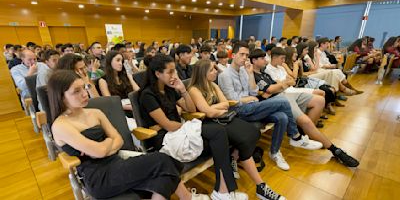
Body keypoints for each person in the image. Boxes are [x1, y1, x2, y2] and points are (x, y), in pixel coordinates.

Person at [47, 70, 183, 200]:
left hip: (117, 162)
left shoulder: (95, 112)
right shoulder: (60, 125)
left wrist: (103, 148)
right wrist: (106, 145)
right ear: (61, 97)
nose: (85, 94)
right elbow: (101, 150)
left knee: (165, 174)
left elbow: (118, 140)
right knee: (164, 161)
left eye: (84, 88)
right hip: (98, 177)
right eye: (76, 91)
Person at [139, 54, 247, 200]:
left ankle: (223, 190)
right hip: (164, 138)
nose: (174, 75)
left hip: (179, 130)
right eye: (170, 72)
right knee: (218, 134)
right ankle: (223, 192)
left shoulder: (169, 89)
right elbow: (168, 125)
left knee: (220, 135)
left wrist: (182, 89)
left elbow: (190, 109)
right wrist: (183, 125)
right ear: (158, 74)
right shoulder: (148, 95)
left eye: (174, 71)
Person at [189, 59, 285, 200]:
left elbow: (226, 104)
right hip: (208, 125)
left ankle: (236, 160)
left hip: (221, 119)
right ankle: (260, 186)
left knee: (253, 133)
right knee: (245, 139)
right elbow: (207, 113)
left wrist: (213, 108)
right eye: (212, 69)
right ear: (203, 73)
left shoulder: (213, 85)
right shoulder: (193, 89)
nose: (216, 71)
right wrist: (214, 109)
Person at [218, 41, 321, 171]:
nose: (244, 58)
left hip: (252, 106)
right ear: (233, 55)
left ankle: (275, 152)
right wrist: (250, 98)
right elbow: (232, 100)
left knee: (282, 117)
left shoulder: (244, 71)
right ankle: (295, 136)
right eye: (242, 54)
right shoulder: (225, 75)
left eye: (246, 55)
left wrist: (250, 75)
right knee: (283, 101)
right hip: (239, 111)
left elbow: (254, 91)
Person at [249, 49, 359, 168]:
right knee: (306, 121)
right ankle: (335, 150)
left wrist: (281, 85)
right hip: (280, 98)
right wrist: (282, 84)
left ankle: (306, 134)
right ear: (254, 61)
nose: (266, 60)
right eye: (262, 58)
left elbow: (280, 85)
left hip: (285, 93)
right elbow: (268, 91)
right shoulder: (254, 75)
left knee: (320, 100)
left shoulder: (264, 73)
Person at [283, 46, 336, 115]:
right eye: (294, 53)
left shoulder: (295, 62)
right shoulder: (284, 65)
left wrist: (301, 66)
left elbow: (301, 75)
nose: (296, 54)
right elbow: (294, 77)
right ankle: (325, 108)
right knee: (325, 91)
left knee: (330, 88)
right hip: (297, 85)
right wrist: (296, 65)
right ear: (289, 54)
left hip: (302, 81)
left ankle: (327, 106)